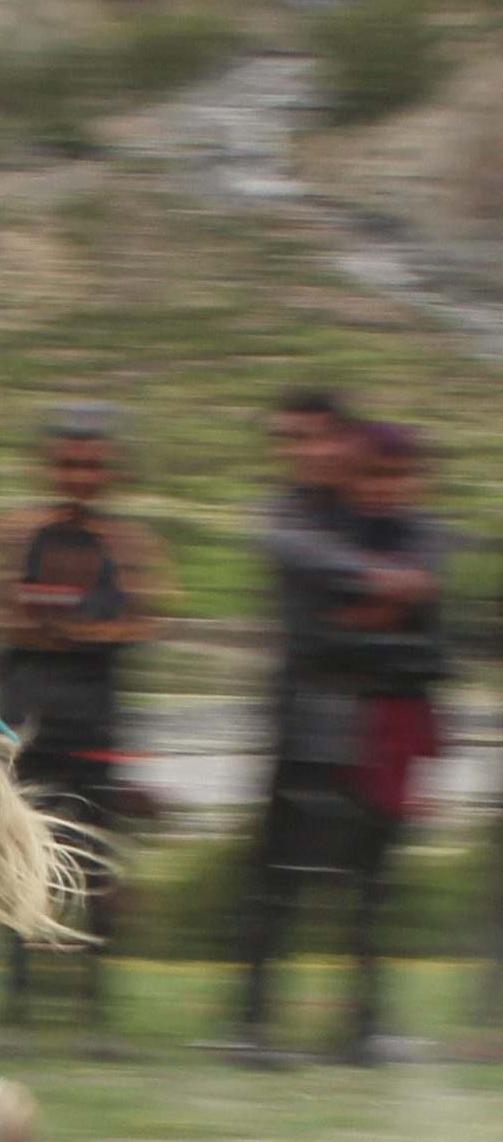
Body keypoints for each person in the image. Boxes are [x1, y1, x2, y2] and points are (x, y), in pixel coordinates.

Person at [228, 392, 440, 1066]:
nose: (305, 453)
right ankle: (253, 1026)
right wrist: (379, 589)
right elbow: (311, 631)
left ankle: (362, 1029)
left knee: (369, 886)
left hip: (370, 728)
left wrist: (369, 630)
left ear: (344, 443)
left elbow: (428, 637)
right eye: (291, 440)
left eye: (317, 438)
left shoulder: (376, 519)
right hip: (303, 722)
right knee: (278, 877)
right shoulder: (294, 516)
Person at [0, 405, 172, 1047]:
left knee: (97, 871)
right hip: (23, 724)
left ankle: (91, 1011)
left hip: (97, 727)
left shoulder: (132, 544)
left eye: (93, 465)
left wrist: (58, 622)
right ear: (49, 466)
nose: (81, 475)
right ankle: (17, 1007)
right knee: (16, 863)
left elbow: (144, 618)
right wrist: (81, 623)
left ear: (111, 471)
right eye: (69, 463)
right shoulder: (11, 533)